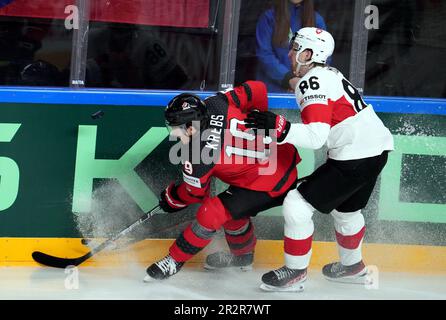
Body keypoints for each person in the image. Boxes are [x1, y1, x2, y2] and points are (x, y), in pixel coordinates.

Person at [245, 27, 394, 291]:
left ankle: (295, 273)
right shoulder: (329, 73)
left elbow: (316, 137)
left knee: (297, 203)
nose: (290, 54)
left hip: (355, 153)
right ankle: (352, 267)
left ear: (309, 53)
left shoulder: (311, 81)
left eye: (295, 48)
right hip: (377, 149)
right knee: (347, 211)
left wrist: (280, 128)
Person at [143, 81, 301, 281]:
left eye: (175, 128)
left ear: (191, 128)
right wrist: (259, 119)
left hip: (270, 184)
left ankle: (174, 260)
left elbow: (195, 194)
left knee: (212, 212)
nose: (173, 133)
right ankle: (243, 256)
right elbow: (257, 89)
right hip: (284, 158)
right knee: (232, 209)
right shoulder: (216, 103)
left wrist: (172, 197)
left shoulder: (196, 156)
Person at [256, 0, 327, 93]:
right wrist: (288, 79)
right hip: (273, 91)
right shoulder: (269, 17)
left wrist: (305, 80)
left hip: (305, 91)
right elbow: (264, 54)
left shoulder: (316, 20)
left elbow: (323, 56)